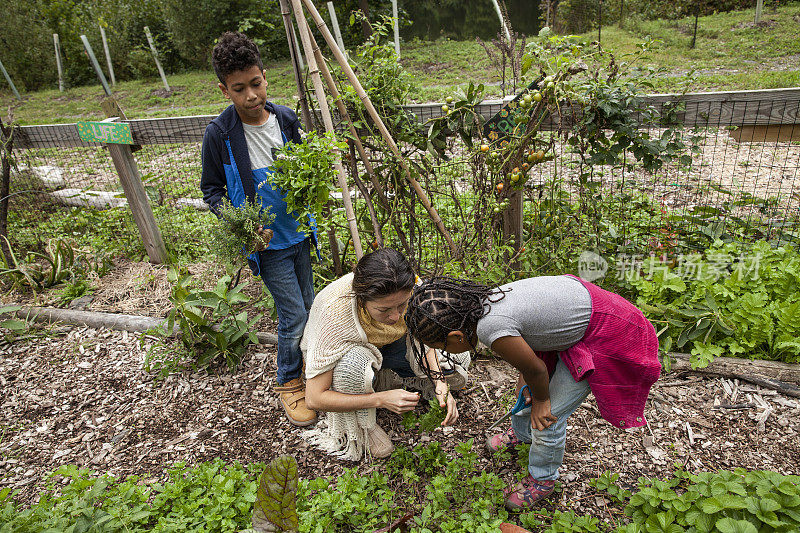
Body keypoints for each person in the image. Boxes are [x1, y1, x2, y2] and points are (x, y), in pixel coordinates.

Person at [404, 274, 661, 511]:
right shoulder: (485, 302)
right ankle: (521, 433)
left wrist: (542, 401)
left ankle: (543, 478)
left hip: (608, 334)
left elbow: (537, 370)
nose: (444, 352)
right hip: (580, 320)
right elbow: (528, 357)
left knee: (548, 418)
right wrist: (529, 385)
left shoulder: (489, 329)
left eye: (441, 346)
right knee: (526, 391)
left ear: (457, 336)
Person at [201, 31, 317, 427]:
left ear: (265, 77)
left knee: (310, 305)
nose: (251, 95)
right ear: (224, 90)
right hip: (267, 246)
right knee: (294, 316)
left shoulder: (285, 118)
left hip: (300, 232)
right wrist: (244, 227)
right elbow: (212, 191)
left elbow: (306, 165)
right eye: (239, 89)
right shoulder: (219, 135)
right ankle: (289, 382)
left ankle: (314, 369)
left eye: (256, 83)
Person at [302, 248, 469, 460]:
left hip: (390, 345)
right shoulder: (335, 313)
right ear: (361, 299)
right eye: (384, 310)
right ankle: (364, 426)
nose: (396, 316)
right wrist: (379, 400)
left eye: (402, 305)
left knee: (459, 356)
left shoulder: (413, 288)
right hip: (349, 354)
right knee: (352, 366)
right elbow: (315, 398)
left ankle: (388, 379)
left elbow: (423, 339)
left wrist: (439, 382)